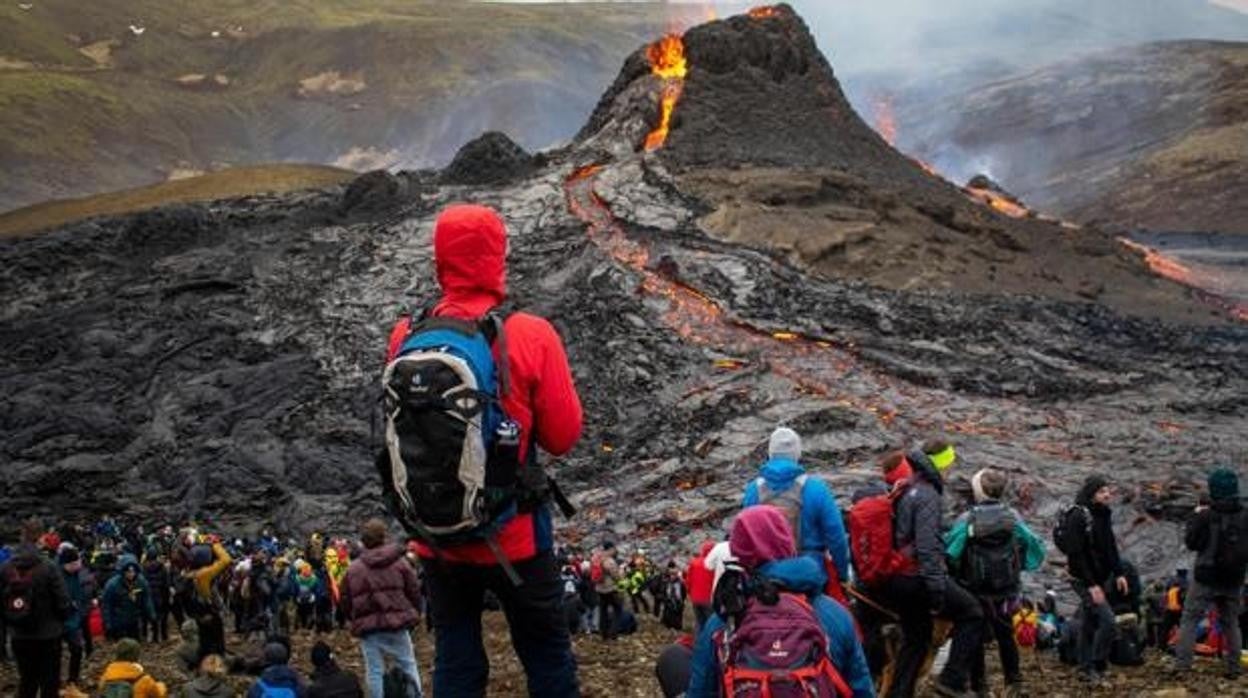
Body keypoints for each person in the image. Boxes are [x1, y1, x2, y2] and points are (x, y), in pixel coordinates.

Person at [388, 203, 584, 697]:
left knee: (456, 656)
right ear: (499, 257)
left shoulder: (406, 336)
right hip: (516, 535)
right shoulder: (528, 333)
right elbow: (563, 437)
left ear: (440, 262)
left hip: (438, 536)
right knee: (546, 657)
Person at [685, 505, 874, 697]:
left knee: (674, 659)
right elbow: (862, 690)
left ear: (739, 556)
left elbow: (699, 692)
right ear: (789, 544)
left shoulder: (722, 622)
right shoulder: (835, 614)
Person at [874, 446, 982, 698]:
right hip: (917, 577)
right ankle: (952, 680)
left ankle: (898, 694)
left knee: (916, 639)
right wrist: (936, 588)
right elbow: (927, 546)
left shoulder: (904, 489)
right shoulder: (927, 494)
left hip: (897, 576)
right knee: (972, 612)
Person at [945, 468, 1046, 698]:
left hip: (975, 590)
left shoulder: (967, 518)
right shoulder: (1013, 517)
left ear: (978, 490)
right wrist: (1022, 568)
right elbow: (1034, 546)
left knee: (976, 638)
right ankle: (1014, 682)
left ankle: (980, 686)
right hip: (1007, 589)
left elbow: (951, 552)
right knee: (1006, 635)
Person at [742, 427, 850, 592]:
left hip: (767, 580)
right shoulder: (817, 488)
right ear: (797, 454)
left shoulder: (752, 490)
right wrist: (842, 575)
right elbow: (836, 538)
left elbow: (745, 539)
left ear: (770, 453)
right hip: (810, 578)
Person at [1172, 468, 1248, 680]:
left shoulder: (1205, 515)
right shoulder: (1245, 515)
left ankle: (1183, 666)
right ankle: (1233, 667)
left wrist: (1193, 518)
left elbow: (1192, 543)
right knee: (1231, 621)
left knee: (1190, 619)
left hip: (1206, 576)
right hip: (1234, 577)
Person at [339, 519, 423, 698]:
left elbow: (345, 599)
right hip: (397, 623)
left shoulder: (354, 569)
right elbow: (414, 590)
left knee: (375, 670)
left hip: (369, 628)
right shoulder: (400, 563)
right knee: (408, 663)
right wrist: (415, 613)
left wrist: (352, 618)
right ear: (384, 538)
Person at [1062, 475, 1130, 685]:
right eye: (1102, 491)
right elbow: (1076, 554)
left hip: (1099, 576)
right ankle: (1097, 664)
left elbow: (1109, 546)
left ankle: (1084, 667)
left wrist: (1119, 573)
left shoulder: (1103, 514)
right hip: (1081, 578)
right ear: (1092, 494)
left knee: (1089, 623)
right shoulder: (1078, 516)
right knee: (1108, 621)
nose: (1107, 494)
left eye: (1108, 490)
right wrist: (1092, 585)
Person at [0, 518, 71, 698]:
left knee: (27, 681)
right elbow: (63, 602)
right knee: (49, 683)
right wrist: (61, 622)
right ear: (41, 538)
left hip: (19, 635)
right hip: (48, 635)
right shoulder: (49, 567)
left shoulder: (6, 568)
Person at [182, 539, 232, 661]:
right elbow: (226, 560)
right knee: (216, 640)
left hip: (198, 614)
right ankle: (217, 663)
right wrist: (215, 545)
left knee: (204, 640)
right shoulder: (205, 574)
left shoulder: (187, 574)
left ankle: (203, 661)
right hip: (210, 612)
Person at [59, 545, 92, 698]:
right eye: (73, 564)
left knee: (77, 649)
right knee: (54, 654)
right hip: (58, 621)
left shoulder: (80, 573)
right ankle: (55, 684)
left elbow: (87, 589)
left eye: (78, 562)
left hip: (75, 619)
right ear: (65, 564)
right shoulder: (56, 576)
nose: (78, 565)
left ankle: (72, 682)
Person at [101, 558, 156, 641]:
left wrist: (152, 616)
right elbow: (107, 606)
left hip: (134, 621)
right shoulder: (112, 585)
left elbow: (146, 600)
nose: (131, 574)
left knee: (135, 645)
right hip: (119, 623)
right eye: (128, 572)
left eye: (133, 571)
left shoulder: (141, 582)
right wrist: (108, 625)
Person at [97, 638, 168, 698]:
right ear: (136, 655)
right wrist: (162, 685)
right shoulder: (144, 680)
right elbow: (159, 695)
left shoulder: (105, 678)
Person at [594, 542, 625, 641]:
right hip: (610, 589)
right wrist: (621, 571)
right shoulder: (609, 561)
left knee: (603, 611)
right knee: (618, 610)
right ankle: (613, 634)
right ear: (610, 549)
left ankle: (603, 634)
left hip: (599, 589)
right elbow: (616, 576)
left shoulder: (597, 558)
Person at [686, 541, 715, 635]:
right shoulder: (713, 565)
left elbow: (688, 581)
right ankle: (708, 644)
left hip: (695, 598)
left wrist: (690, 594)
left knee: (699, 621)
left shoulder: (694, 563)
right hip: (708, 598)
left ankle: (698, 642)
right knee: (710, 623)